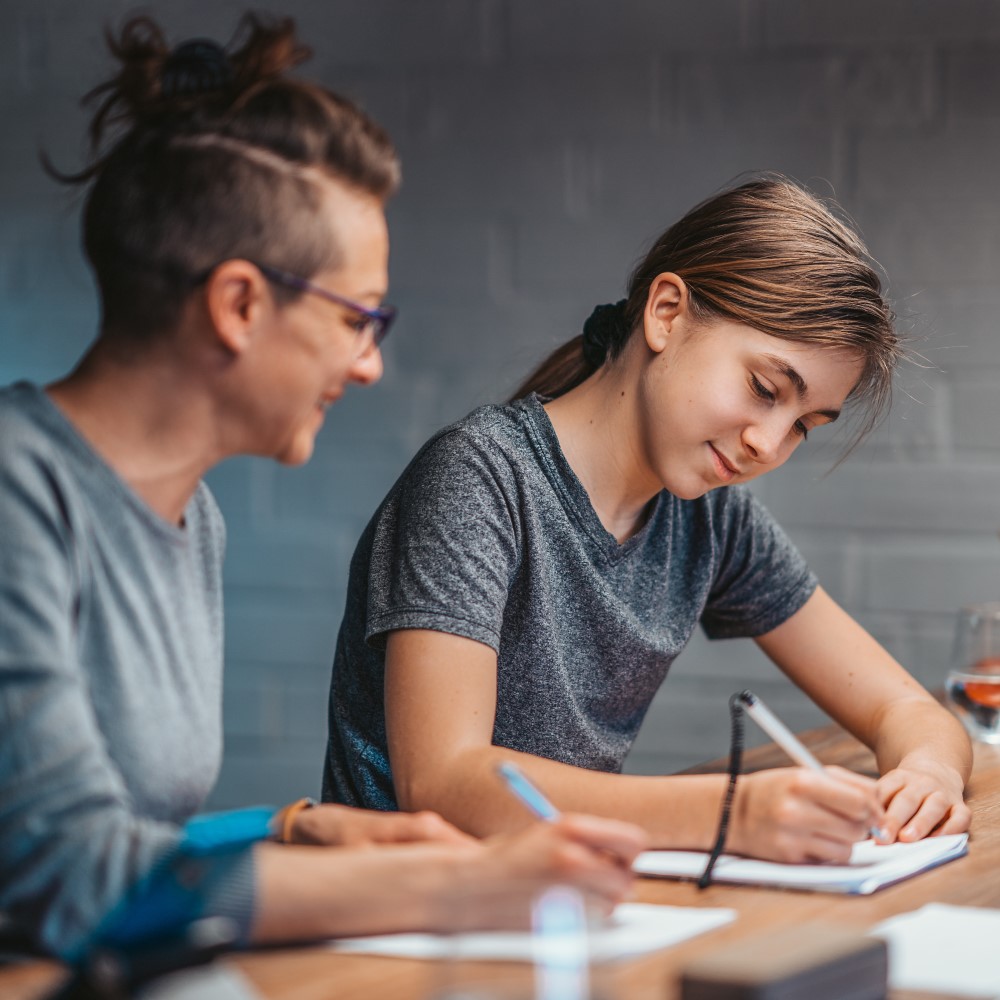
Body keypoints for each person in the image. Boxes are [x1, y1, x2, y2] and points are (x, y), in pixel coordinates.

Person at [0, 13, 646, 962]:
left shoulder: (192, 519)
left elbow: (109, 828)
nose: (371, 364)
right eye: (359, 319)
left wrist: (296, 827)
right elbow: (66, 874)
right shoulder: (18, 495)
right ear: (239, 304)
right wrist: (455, 881)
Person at [323, 176, 974, 866]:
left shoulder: (712, 521)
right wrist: (732, 813)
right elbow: (444, 780)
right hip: (398, 918)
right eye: (763, 389)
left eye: (804, 427)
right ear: (667, 312)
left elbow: (907, 710)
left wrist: (928, 774)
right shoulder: (479, 477)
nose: (768, 445)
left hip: (550, 902)